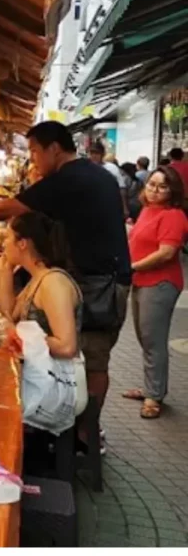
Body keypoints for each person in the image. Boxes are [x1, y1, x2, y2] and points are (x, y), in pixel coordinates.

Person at [0, 121, 130, 445]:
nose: (32, 160)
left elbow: (4, 208)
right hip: (102, 278)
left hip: (101, 284)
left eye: (34, 151)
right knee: (88, 358)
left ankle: (86, 435)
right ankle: (81, 430)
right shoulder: (96, 174)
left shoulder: (68, 179)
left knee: (92, 358)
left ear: (54, 149)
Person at [0, 212, 86, 433]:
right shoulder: (37, 279)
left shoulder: (53, 282)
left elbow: (67, 346)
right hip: (37, 375)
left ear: (23, 243)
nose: (3, 243)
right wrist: (6, 269)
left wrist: (25, 337)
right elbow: (8, 313)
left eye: (7, 238)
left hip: (55, 385)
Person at [122, 166, 188, 419]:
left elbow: (167, 252)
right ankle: (152, 387)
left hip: (160, 284)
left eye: (162, 186)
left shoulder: (173, 216)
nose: (155, 190)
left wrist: (133, 267)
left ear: (172, 190)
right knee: (146, 338)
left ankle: (154, 397)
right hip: (142, 281)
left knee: (153, 341)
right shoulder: (149, 211)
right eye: (151, 184)